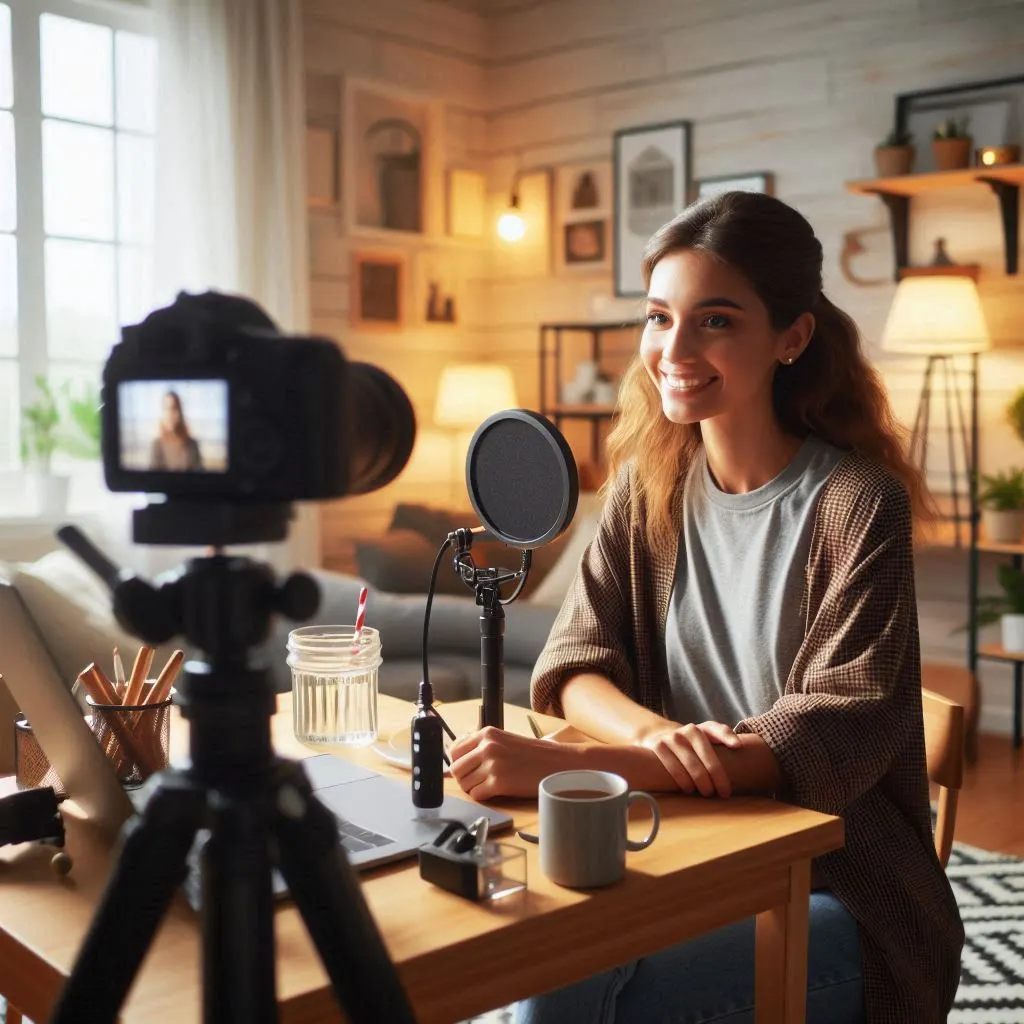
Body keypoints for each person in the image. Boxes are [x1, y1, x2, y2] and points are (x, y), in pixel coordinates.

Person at [449, 192, 964, 1023]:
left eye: (715, 321)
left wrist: (572, 768)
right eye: (659, 317)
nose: (674, 349)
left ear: (791, 338)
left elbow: (825, 738)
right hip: (685, 846)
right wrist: (656, 736)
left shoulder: (858, 504)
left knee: (565, 988)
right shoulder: (645, 487)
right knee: (520, 946)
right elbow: (577, 661)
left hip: (841, 892)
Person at [149, 390, 203, 471]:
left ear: (180, 412)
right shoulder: (157, 445)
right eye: (166, 409)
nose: (170, 413)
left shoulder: (192, 445)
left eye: (174, 408)